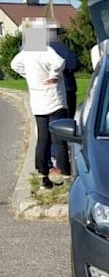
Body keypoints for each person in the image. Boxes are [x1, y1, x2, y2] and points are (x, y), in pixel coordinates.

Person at [11, 25, 71, 190]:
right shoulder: (46, 51)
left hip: (38, 102)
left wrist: (27, 75)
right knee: (59, 139)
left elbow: (14, 65)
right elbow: (60, 62)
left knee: (43, 139)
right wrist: (53, 76)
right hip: (54, 99)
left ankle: (43, 175)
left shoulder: (25, 54)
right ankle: (65, 174)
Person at [48, 27, 78, 118]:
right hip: (65, 87)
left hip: (47, 89)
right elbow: (73, 65)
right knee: (67, 119)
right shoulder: (60, 47)